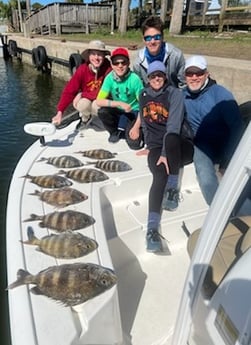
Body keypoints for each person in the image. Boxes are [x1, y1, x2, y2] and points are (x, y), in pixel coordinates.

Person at [135, 60, 193, 252]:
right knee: (158, 176)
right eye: (153, 76)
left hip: (176, 144)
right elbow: (145, 123)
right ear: (148, 78)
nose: (157, 78)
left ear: (165, 76)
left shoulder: (174, 94)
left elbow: (173, 126)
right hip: (155, 146)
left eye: (160, 75)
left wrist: (164, 154)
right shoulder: (142, 94)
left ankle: (173, 187)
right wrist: (149, 147)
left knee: (170, 139)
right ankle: (151, 229)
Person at [183, 55, 244, 206]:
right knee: (204, 175)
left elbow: (238, 128)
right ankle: (218, 211)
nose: (194, 77)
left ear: (207, 74)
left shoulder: (222, 95)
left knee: (241, 185)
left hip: (227, 145)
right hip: (202, 147)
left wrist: (228, 160)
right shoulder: (181, 95)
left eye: (199, 73)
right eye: (190, 73)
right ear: (185, 76)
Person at [52, 40, 112, 127]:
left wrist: (82, 94)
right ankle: (85, 118)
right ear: (88, 56)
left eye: (99, 54)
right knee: (82, 105)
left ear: (104, 56)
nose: (96, 58)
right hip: (88, 98)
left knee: (97, 105)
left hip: (101, 98)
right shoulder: (82, 69)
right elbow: (69, 90)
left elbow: (107, 91)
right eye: (93, 54)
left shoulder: (109, 69)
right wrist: (60, 111)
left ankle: (103, 119)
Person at [96, 47, 144, 143]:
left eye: (123, 62)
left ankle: (129, 128)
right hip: (119, 110)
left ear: (128, 63)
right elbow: (99, 101)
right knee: (102, 111)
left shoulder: (135, 79)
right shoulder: (109, 78)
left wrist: (136, 126)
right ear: (112, 65)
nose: (120, 66)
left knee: (135, 144)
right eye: (116, 63)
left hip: (133, 112)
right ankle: (113, 132)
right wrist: (119, 103)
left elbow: (144, 105)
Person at [133, 15, 185, 88]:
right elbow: (140, 89)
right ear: (143, 40)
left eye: (157, 37)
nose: (152, 41)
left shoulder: (176, 56)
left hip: (173, 97)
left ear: (162, 37)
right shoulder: (138, 63)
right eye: (148, 38)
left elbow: (183, 85)